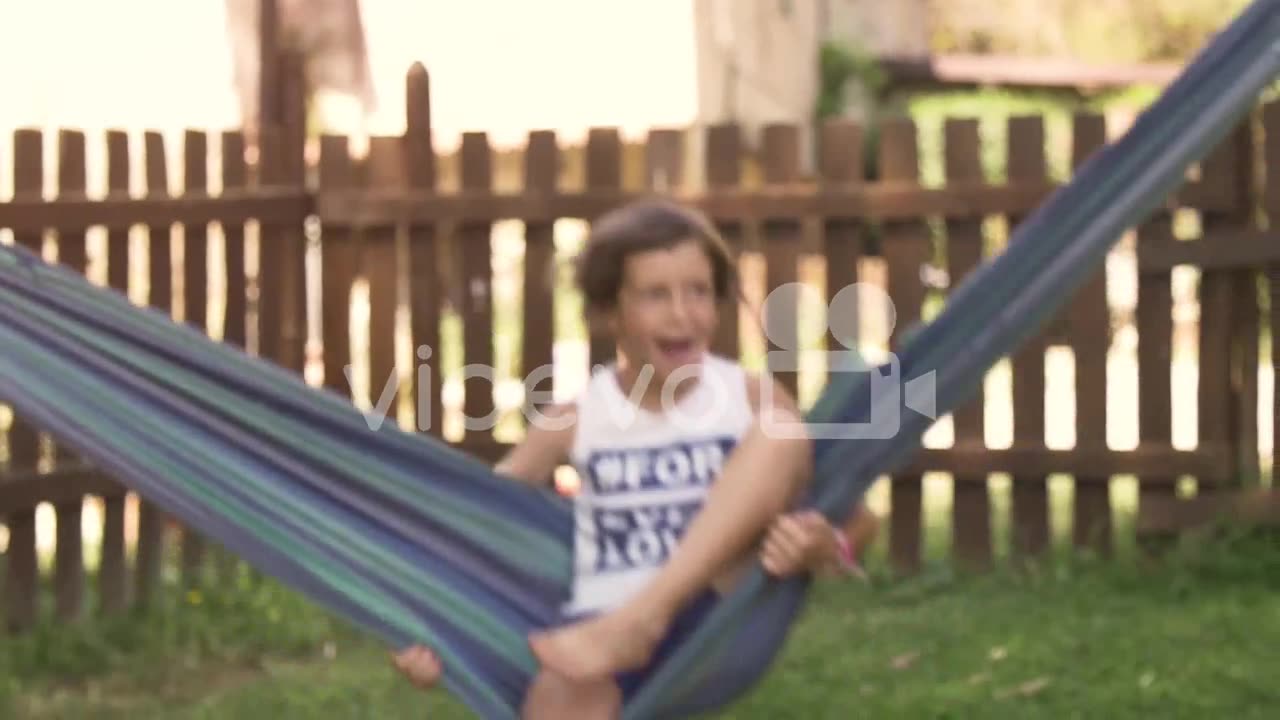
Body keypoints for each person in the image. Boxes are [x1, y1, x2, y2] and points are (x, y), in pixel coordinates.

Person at [392, 197, 878, 718]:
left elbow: (857, 521)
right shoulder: (576, 418)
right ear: (607, 314)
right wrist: (438, 633)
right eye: (654, 295)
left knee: (782, 435)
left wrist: (824, 545)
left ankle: (647, 615)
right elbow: (479, 528)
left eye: (699, 291)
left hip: (714, 619)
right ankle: (629, 624)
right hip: (596, 632)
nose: (682, 312)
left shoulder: (751, 400)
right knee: (557, 702)